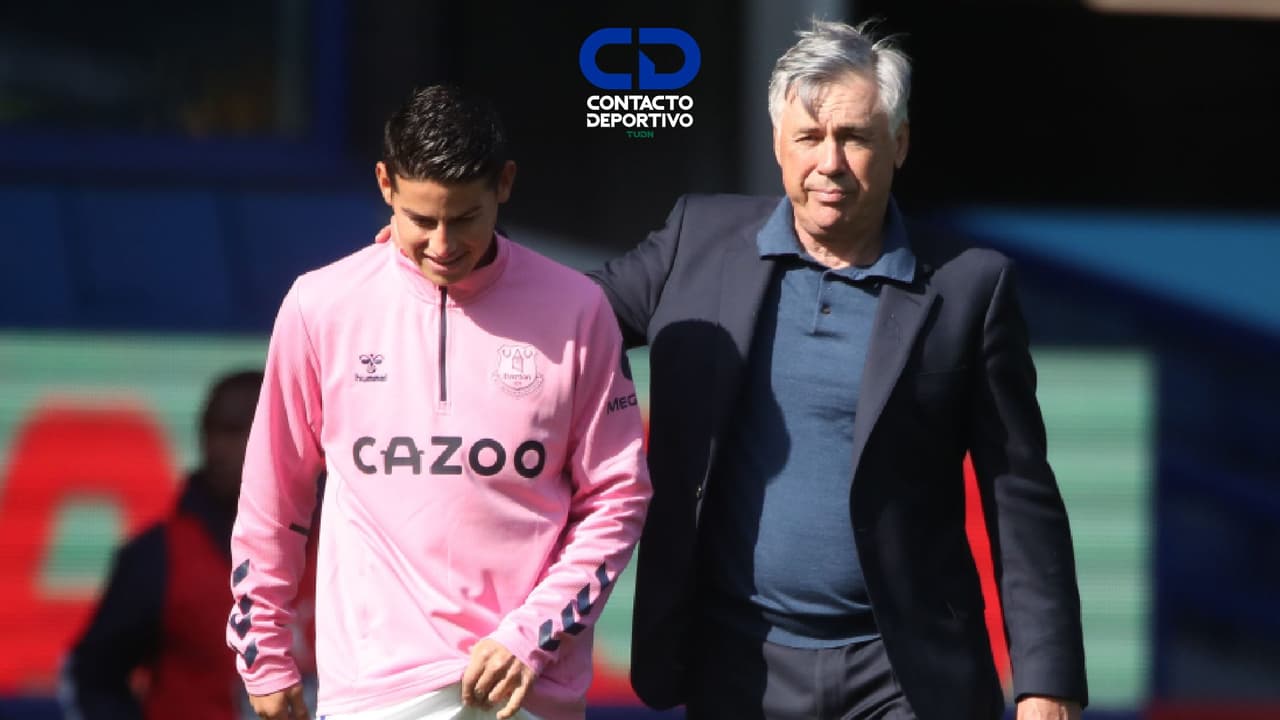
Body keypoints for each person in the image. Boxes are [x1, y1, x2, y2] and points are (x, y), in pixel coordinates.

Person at [587, 19, 1088, 720]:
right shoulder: (695, 240)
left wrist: (1047, 682)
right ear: (777, 142)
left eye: (854, 137)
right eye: (809, 137)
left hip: (903, 675)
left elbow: (1019, 491)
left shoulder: (970, 285)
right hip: (736, 664)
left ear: (899, 144)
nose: (830, 162)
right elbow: (567, 319)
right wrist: (461, 258)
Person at [228, 85, 650, 720]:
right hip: (373, 694)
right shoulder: (321, 306)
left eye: (465, 218)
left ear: (505, 184)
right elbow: (273, 498)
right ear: (385, 185)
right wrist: (263, 650)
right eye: (422, 221)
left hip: (525, 691)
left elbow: (616, 499)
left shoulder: (579, 309)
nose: (443, 243)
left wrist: (531, 636)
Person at [63, 369, 293, 720]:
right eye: (213, 431)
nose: (219, 449)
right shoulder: (159, 556)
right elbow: (93, 677)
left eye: (238, 430)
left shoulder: (344, 549)